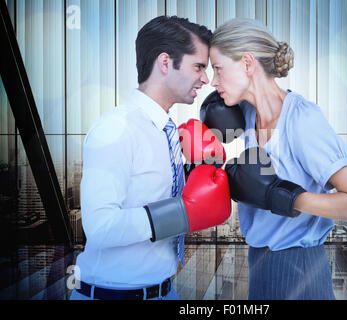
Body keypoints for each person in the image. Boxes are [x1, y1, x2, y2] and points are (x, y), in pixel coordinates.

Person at [203, 18, 347, 300]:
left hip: (299, 268)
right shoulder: (248, 116)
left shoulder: (302, 120)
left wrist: (285, 197)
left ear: (247, 63)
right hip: (260, 264)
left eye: (218, 69)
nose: (213, 81)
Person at [69, 16, 232, 300]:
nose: (205, 79)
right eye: (198, 67)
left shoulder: (168, 133)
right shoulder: (116, 128)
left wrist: (198, 171)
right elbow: (99, 227)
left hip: (165, 290)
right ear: (165, 63)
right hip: (109, 295)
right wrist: (182, 213)